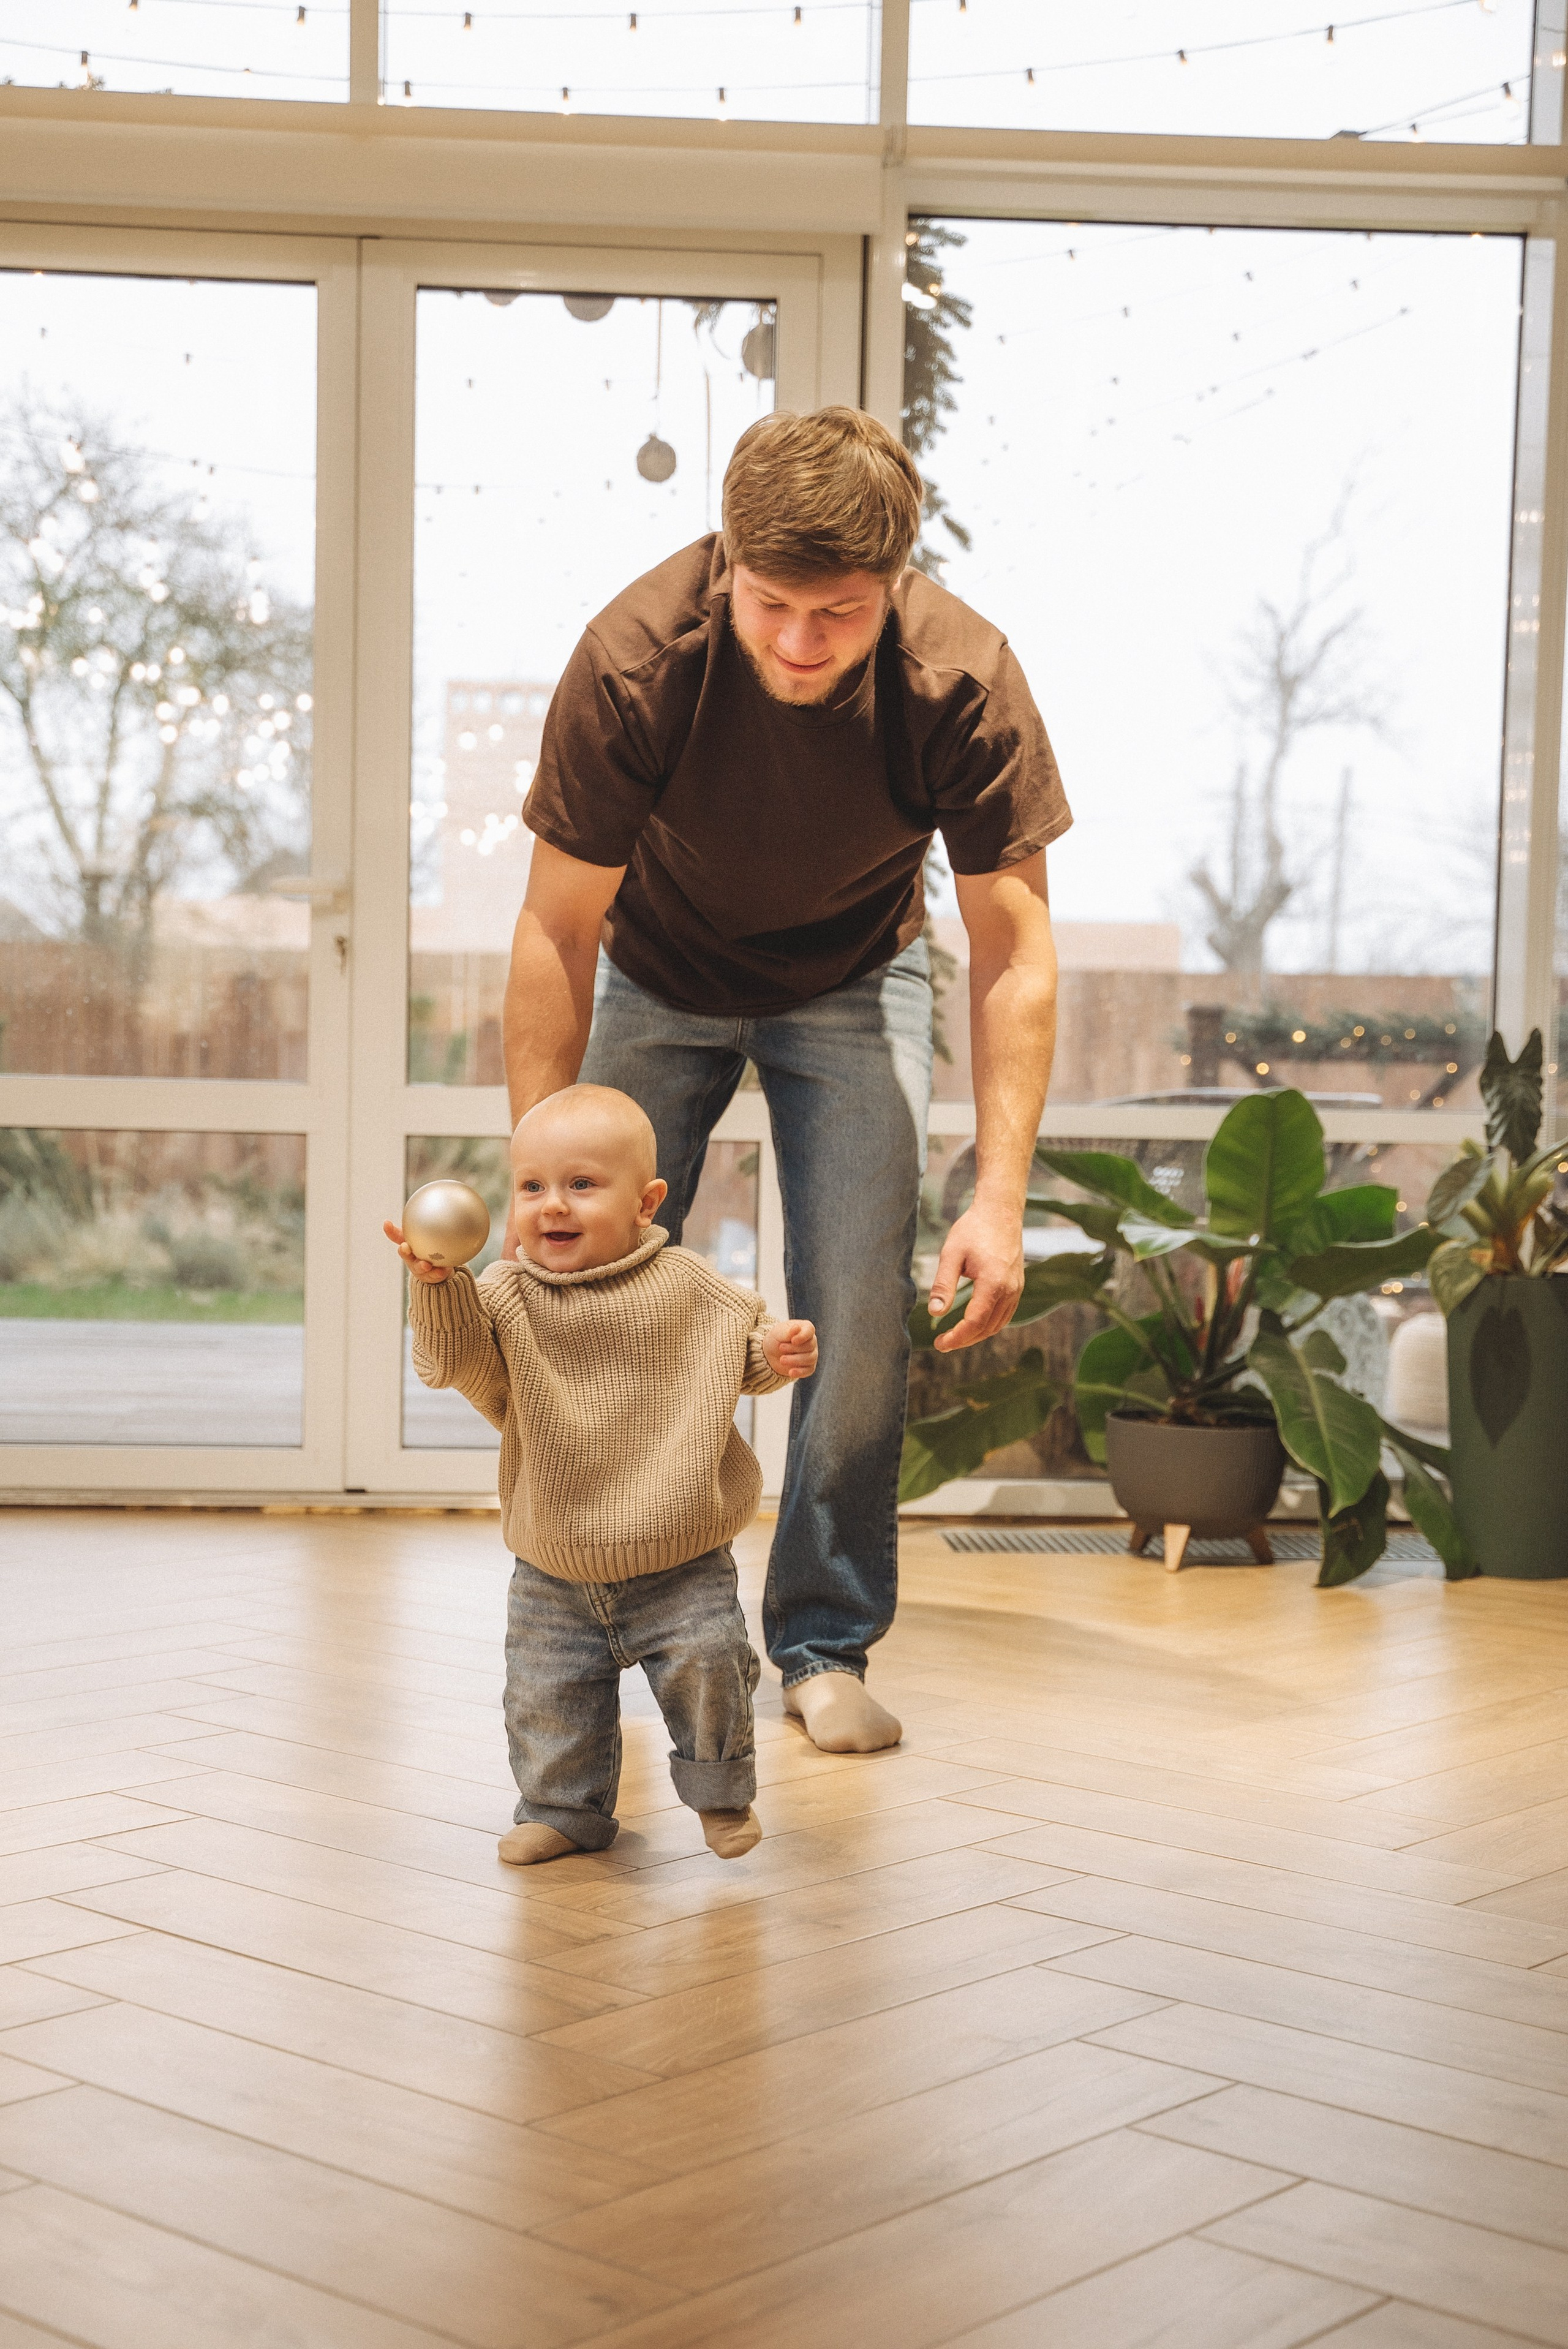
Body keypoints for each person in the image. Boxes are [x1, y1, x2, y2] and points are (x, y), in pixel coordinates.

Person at [503, 405, 1068, 1756]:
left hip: (856, 974)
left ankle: (819, 1641)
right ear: (726, 563)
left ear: (895, 582)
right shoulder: (636, 658)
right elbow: (553, 927)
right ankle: (598, 1619)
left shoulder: (960, 681)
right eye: (771, 607)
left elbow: (1012, 948)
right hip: (657, 965)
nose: (802, 643)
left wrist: (996, 1199)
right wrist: (534, 1173)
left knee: (860, 1307)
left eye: (842, 612)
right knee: (585, 1293)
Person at [385, 1083, 818, 1865]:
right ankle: (563, 1811)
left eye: (581, 1185)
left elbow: (738, 1347)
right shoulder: (506, 1294)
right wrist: (436, 1284)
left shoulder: (685, 1284)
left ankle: (721, 1794)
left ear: (646, 1201)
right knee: (546, 1696)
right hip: (553, 1560)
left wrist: (776, 1352)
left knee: (711, 1666)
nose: (553, 1205)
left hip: (679, 1557)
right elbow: (449, 1361)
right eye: (532, 1186)